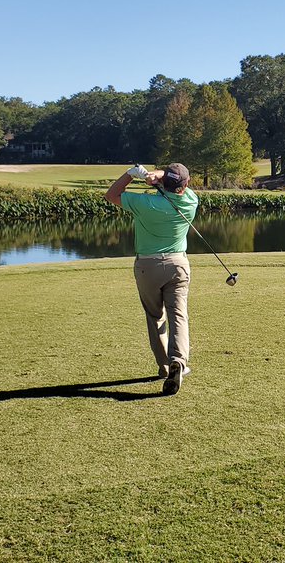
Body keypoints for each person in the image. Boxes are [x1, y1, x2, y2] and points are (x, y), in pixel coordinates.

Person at [105, 163, 200, 395]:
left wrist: (132, 174)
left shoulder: (144, 203)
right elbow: (174, 184)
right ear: (185, 184)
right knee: (178, 315)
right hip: (178, 265)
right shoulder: (190, 201)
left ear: (164, 182)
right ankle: (179, 360)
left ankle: (165, 367)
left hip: (147, 266)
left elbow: (111, 195)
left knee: (155, 317)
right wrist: (158, 178)